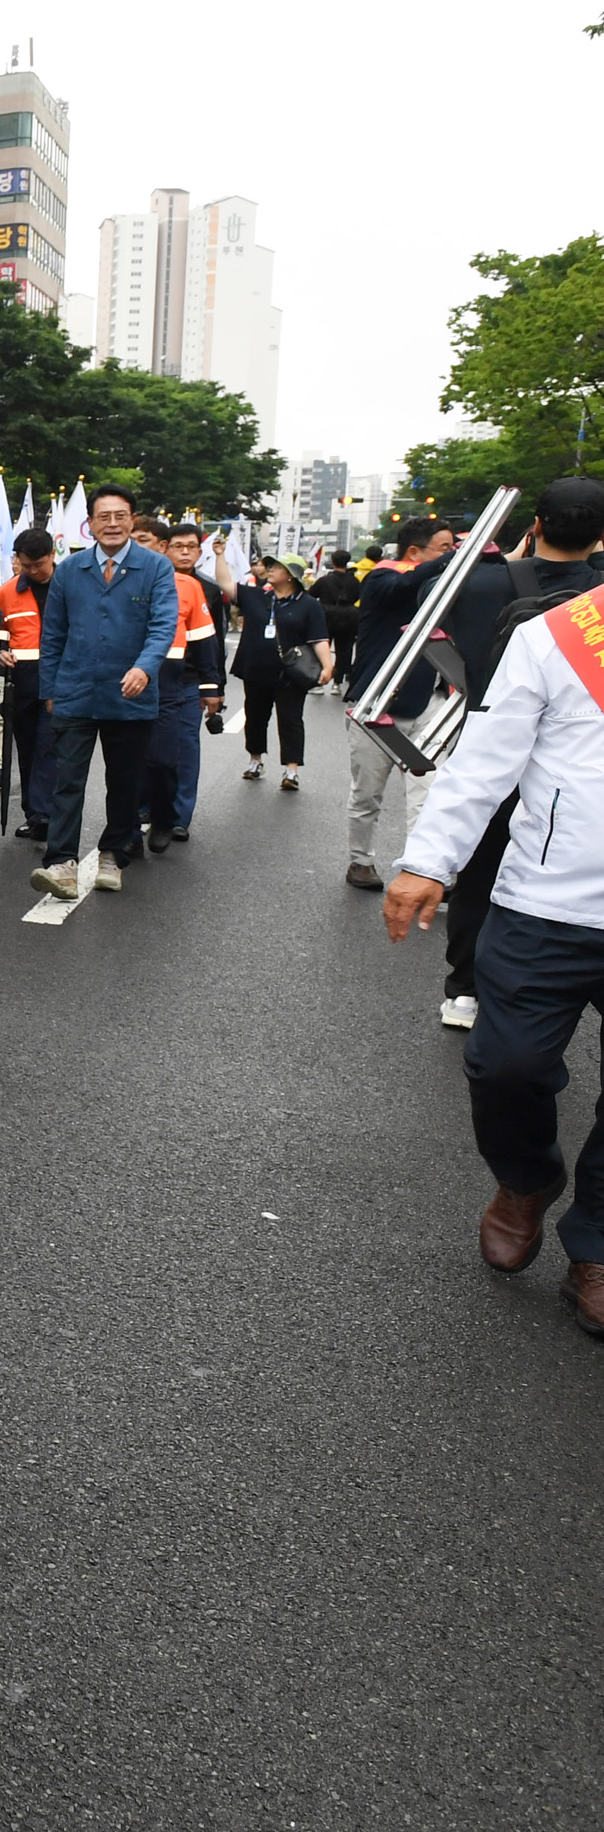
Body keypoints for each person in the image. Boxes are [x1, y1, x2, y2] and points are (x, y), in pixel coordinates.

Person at [383, 531, 604, 1334]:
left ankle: (597, 1243)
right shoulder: (560, 637)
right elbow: (486, 760)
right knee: (505, 1066)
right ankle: (525, 1179)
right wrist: (429, 862)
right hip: (547, 902)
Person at [435, 483, 604, 1031]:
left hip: (492, 738)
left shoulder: (479, 584)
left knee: (479, 865)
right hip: (571, 755)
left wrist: (505, 557)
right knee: (545, 870)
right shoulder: (598, 595)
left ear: (534, 525)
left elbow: (427, 605)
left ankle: (464, 988)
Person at [29, 486, 175, 901]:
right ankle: (61, 863)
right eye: (103, 516)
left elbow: (163, 626)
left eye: (120, 516)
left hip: (131, 695)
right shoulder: (71, 570)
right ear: (89, 523)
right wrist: (50, 688)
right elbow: (53, 632)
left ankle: (114, 853)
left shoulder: (155, 567)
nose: (112, 524)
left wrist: (145, 668)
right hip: (75, 690)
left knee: (124, 781)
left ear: (132, 520)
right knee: (67, 780)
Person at [345, 515, 454, 891]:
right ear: (413, 551)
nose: (453, 554)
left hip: (429, 705)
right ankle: (360, 861)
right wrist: (454, 558)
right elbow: (403, 586)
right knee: (368, 793)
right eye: (444, 547)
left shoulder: (446, 585)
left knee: (429, 792)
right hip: (376, 706)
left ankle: (422, 868)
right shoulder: (382, 577)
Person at [143, 521, 225, 851]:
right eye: (179, 546)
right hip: (148, 677)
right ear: (165, 547)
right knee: (146, 749)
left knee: (184, 749)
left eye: (192, 546)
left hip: (188, 682)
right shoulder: (141, 581)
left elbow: (212, 642)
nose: (186, 552)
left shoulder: (206, 589)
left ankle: (178, 816)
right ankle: (146, 806)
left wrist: (213, 685)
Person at [231, 550, 329, 791]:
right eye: (270, 565)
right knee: (255, 716)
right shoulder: (257, 597)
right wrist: (221, 555)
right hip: (256, 669)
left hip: (291, 673)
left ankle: (291, 770)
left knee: (290, 719)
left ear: (291, 575)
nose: (270, 569)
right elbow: (225, 583)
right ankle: (255, 761)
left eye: (277, 566)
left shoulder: (308, 605)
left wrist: (327, 665)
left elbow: (318, 638)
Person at [0, 527, 58, 840]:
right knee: (28, 749)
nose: (33, 571)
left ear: (52, 555)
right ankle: (35, 814)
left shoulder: (70, 586)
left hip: (61, 682)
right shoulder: (7, 593)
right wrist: (1, 653)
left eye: (40, 565)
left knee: (49, 748)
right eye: (27, 565)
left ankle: (46, 813)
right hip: (22, 683)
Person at [311, 547, 363, 690]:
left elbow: (311, 595)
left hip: (326, 617)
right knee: (344, 651)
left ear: (333, 562)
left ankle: (319, 681)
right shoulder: (354, 581)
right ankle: (337, 683)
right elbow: (358, 597)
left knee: (322, 648)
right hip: (349, 618)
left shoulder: (324, 580)